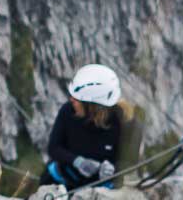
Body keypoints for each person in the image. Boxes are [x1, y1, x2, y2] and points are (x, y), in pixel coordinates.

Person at [46, 63, 124, 191]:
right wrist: (77, 161)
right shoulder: (68, 111)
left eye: (77, 99)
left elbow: (127, 160)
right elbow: (54, 148)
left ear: (93, 106)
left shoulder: (118, 121)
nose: (71, 100)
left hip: (101, 187)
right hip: (64, 179)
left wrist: (114, 169)